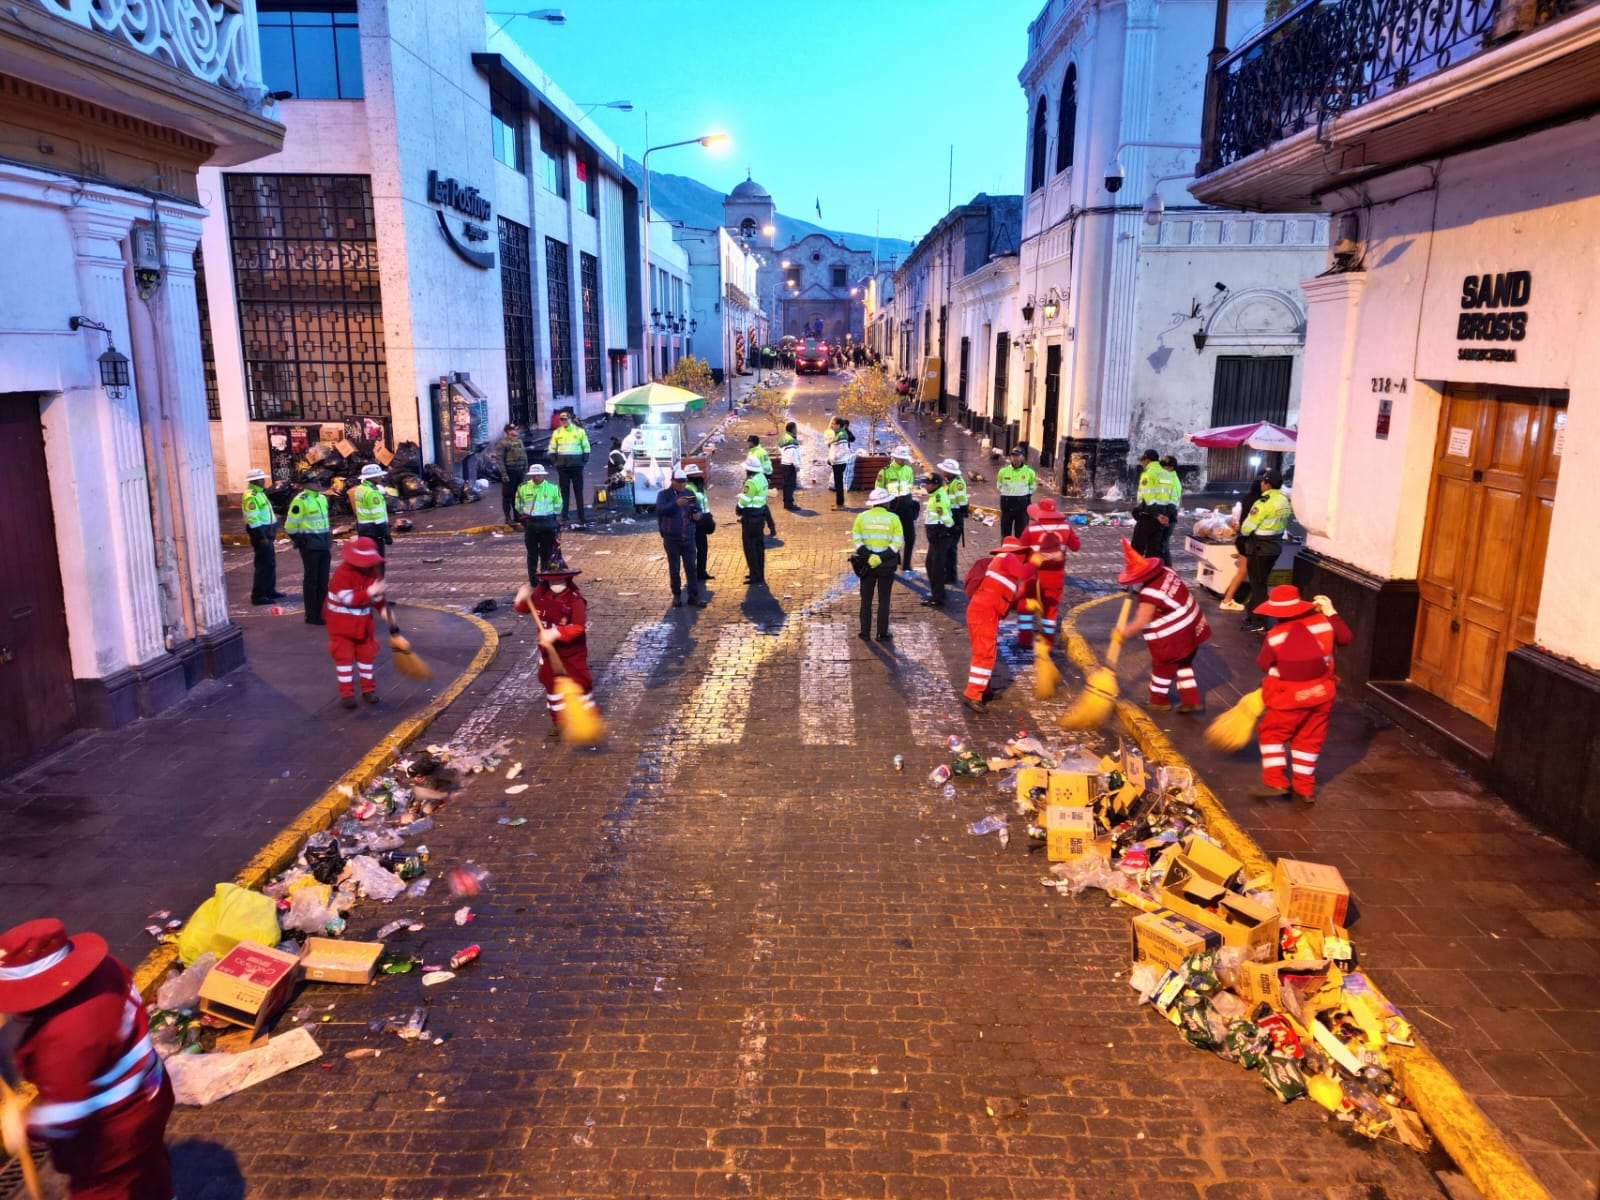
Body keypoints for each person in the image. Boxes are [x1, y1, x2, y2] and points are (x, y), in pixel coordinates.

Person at [0, 918, 174, 1200]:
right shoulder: (106, 968)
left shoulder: (64, 1039)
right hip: (152, 1092)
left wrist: (25, 1127)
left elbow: (68, 1114)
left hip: (113, 1136)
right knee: (149, 1172)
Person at [1252, 586, 1352, 803]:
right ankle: (1305, 789)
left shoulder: (1276, 635)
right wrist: (1331, 612)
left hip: (1288, 698)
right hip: (1322, 695)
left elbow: (1262, 663)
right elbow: (1345, 637)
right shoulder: (1324, 623)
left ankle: (1275, 780)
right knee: (1309, 740)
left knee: (1271, 734)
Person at [1112, 538, 1212, 713]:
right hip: (1192, 627)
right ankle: (1191, 699)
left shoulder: (1150, 593)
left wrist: (1122, 633)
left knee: (1162, 668)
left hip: (1173, 638)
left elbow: (1141, 620)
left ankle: (1159, 700)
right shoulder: (1168, 571)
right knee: (1184, 664)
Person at [961, 536, 1039, 713]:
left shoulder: (1003, 567)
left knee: (986, 651)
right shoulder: (1007, 558)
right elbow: (1024, 573)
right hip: (984, 613)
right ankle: (973, 694)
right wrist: (1035, 562)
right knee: (984, 653)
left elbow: (1006, 596)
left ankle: (984, 689)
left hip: (984, 612)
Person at [515, 568, 595, 736]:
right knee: (551, 686)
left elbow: (578, 627)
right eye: (553, 581)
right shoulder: (540, 595)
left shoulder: (575, 600)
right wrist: (521, 598)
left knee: (581, 683)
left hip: (572, 653)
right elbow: (523, 609)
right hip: (549, 654)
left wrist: (557, 632)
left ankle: (588, 718)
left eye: (560, 581)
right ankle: (558, 721)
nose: (556, 585)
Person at [324, 536, 385, 708]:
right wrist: (372, 591)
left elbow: (378, 599)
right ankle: (347, 694)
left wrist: (384, 610)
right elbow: (349, 599)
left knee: (367, 656)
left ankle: (368, 690)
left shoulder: (372, 573)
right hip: (341, 627)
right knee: (344, 659)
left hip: (363, 626)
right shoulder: (342, 575)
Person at [1017, 497, 1081, 645]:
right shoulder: (1066, 527)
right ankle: (1047, 642)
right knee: (1050, 610)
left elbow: (1020, 549)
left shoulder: (1031, 528)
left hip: (1033, 575)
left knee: (1026, 605)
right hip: (1055, 576)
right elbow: (1076, 546)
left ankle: (1025, 640)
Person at [1240, 469, 1293, 633]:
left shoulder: (1263, 502)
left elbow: (1247, 528)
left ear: (1267, 483)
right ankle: (1252, 615)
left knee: (1258, 585)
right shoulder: (1284, 500)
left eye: (1263, 481)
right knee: (1260, 582)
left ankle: (1260, 622)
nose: (1261, 484)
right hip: (1274, 547)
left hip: (1259, 548)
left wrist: (1243, 531)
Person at [850, 487, 903, 641]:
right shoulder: (894, 518)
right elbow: (897, 543)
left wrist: (870, 555)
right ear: (886, 502)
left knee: (866, 600)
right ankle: (882, 633)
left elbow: (857, 541)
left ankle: (864, 632)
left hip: (867, 565)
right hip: (886, 565)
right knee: (884, 600)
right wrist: (882, 557)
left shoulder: (861, 517)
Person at [656, 467, 707, 608]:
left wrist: (698, 515)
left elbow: (697, 509)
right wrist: (675, 504)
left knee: (691, 567)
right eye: (679, 482)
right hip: (672, 538)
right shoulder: (664, 495)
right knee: (674, 568)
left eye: (683, 482)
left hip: (688, 536)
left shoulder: (689, 493)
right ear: (672, 481)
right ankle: (677, 596)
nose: (682, 485)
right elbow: (661, 510)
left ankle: (693, 596)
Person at [285, 477, 332, 625]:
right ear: (306, 485)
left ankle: (323, 611)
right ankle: (312, 615)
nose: (319, 484)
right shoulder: (301, 500)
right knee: (312, 581)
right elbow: (290, 525)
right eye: (315, 482)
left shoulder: (322, 498)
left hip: (324, 544)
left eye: (319, 481)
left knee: (323, 581)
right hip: (311, 546)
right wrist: (300, 541)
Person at [1219, 474, 1266, 613]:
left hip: (1242, 538)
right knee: (1243, 572)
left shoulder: (1247, 498)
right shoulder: (1260, 501)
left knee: (1243, 571)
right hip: (1248, 539)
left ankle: (1228, 598)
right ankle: (1227, 600)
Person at [241, 468, 283, 606]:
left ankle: (269, 590)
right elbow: (253, 519)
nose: (264, 480)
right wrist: (261, 536)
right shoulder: (251, 496)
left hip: (267, 530)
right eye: (262, 479)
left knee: (270, 562)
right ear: (256, 480)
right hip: (261, 532)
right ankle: (259, 595)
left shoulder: (259, 493)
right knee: (263, 564)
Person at [515, 463, 563, 580]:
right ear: (530, 475)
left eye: (539, 475)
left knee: (546, 553)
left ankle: (544, 576)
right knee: (532, 554)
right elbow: (518, 505)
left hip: (547, 523)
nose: (536, 477)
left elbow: (558, 506)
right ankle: (533, 579)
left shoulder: (553, 488)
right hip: (531, 524)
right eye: (534, 475)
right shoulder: (522, 487)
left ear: (543, 475)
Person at [876, 446, 917, 573]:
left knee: (910, 537)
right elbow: (879, 491)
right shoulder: (885, 471)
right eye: (902, 458)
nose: (904, 461)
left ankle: (906, 564)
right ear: (895, 457)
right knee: (892, 537)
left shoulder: (909, 470)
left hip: (906, 505)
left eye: (906, 459)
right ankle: (893, 561)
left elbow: (909, 486)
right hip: (892, 507)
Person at [549, 409, 591, 526]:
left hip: (576, 466)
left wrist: (583, 461)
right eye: (561, 419)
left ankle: (581, 516)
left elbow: (586, 447)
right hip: (563, 467)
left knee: (578, 491)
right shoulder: (557, 433)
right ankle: (564, 516)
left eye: (565, 419)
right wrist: (555, 462)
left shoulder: (579, 432)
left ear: (570, 419)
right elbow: (552, 449)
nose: (563, 421)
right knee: (564, 492)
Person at [920, 467, 955, 607]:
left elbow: (944, 515)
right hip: (937, 536)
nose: (925, 486)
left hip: (940, 535)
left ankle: (938, 597)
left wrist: (950, 527)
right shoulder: (936, 495)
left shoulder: (939, 497)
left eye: (927, 484)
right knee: (931, 564)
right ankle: (937, 592)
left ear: (935, 484)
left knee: (936, 567)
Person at [736, 453, 770, 586]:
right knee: (759, 547)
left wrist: (738, 507)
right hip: (760, 516)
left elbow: (744, 500)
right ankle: (759, 573)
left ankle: (755, 574)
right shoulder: (762, 478)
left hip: (750, 518)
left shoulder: (751, 482)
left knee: (750, 547)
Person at [350, 464, 391, 564]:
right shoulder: (372, 493)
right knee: (377, 561)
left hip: (363, 528)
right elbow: (378, 517)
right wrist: (386, 535)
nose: (381, 477)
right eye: (378, 476)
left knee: (368, 559)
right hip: (374, 531)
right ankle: (378, 579)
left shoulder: (360, 489)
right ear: (372, 478)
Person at [1131, 449, 1167, 560]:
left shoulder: (1148, 473)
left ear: (1147, 460)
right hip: (1162, 515)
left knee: (1136, 548)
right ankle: (1152, 573)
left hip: (1148, 515)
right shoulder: (1165, 473)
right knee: (1153, 550)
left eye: (1142, 460)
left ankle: (1136, 573)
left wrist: (1155, 514)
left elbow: (1148, 497)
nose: (1141, 463)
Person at [996, 446, 1036, 540]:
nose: (1015, 458)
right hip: (1007, 507)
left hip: (1022, 507)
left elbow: (1032, 486)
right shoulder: (1003, 471)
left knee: (1021, 535)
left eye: (1017, 456)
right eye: (1013, 456)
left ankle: (1019, 554)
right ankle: (1005, 553)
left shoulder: (1029, 472)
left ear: (1022, 457)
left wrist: (1024, 496)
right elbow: (999, 486)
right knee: (1006, 536)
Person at [940, 458, 968, 585]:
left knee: (951, 548)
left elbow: (962, 502)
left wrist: (960, 516)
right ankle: (949, 574)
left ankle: (951, 576)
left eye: (944, 470)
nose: (942, 471)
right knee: (949, 547)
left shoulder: (957, 483)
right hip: (952, 514)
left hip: (955, 515)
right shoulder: (950, 482)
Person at [684, 463, 714, 581]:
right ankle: (694, 574)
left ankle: (701, 572)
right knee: (693, 550)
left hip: (702, 522)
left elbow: (704, 503)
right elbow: (691, 507)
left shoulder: (699, 487)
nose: (698, 476)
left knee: (703, 549)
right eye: (695, 475)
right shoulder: (688, 489)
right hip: (693, 524)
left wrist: (708, 517)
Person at [495, 422, 527, 526]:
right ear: (508, 431)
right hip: (510, 471)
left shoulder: (519, 441)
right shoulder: (503, 443)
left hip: (519, 471)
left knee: (517, 495)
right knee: (507, 496)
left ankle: (517, 516)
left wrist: (525, 467)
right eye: (514, 430)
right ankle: (508, 518)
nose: (516, 431)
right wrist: (504, 474)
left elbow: (524, 455)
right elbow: (500, 459)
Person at [746, 435, 777, 535]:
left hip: (760, 478)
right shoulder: (751, 451)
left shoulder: (761, 452)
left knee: (761, 505)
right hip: (752, 479)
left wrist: (767, 478)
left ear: (753, 442)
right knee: (758, 504)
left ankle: (769, 527)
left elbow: (767, 466)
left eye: (749, 442)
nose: (747, 444)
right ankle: (766, 528)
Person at [1158, 455, 1183, 566]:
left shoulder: (1172, 481)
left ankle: (1167, 569)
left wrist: (1166, 516)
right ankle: (1165, 569)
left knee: (1163, 544)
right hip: (1165, 514)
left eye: (1164, 466)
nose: (1162, 468)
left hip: (1169, 515)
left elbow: (1173, 502)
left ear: (1171, 467)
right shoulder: (1167, 478)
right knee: (1162, 544)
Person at [827, 417, 856, 509]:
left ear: (839, 425)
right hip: (837, 462)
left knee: (839, 484)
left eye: (834, 424)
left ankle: (840, 504)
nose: (832, 425)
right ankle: (839, 503)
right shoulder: (838, 434)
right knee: (838, 483)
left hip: (839, 462)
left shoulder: (842, 435)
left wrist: (835, 458)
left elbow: (844, 450)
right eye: (832, 424)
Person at [778, 421, 801, 510]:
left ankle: (786, 503)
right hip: (790, 465)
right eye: (796, 428)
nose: (797, 430)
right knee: (790, 485)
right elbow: (793, 454)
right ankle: (789, 504)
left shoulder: (784, 437)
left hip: (784, 463)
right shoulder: (791, 440)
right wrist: (797, 465)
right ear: (793, 429)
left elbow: (781, 449)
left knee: (786, 485)